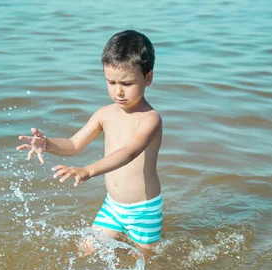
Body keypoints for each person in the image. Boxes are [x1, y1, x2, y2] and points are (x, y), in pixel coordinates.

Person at [16, 30, 163, 251]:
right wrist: (47, 144)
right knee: (87, 248)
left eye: (127, 83)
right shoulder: (105, 114)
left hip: (143, 210)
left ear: (148, 78)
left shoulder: (150, 119)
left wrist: (88, 170)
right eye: (111, 82)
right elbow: (74, 144)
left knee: (147, 260)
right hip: (113, 206)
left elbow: (129, 152)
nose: (118, 91)